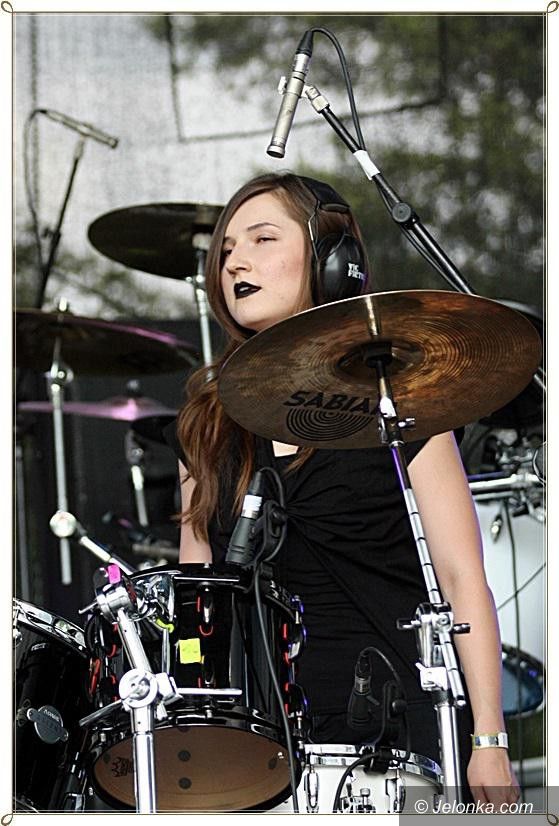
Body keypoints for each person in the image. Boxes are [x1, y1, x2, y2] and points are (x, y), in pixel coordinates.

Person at [166, 171, 519, 808]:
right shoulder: (205, 424)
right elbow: (201, 595)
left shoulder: (400, 405)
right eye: (227, 251)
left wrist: (489, 739)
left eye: (262, 239)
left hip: (398, 734)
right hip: (263, 747)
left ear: (330, 262)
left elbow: (463, 580)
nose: (235, 262)